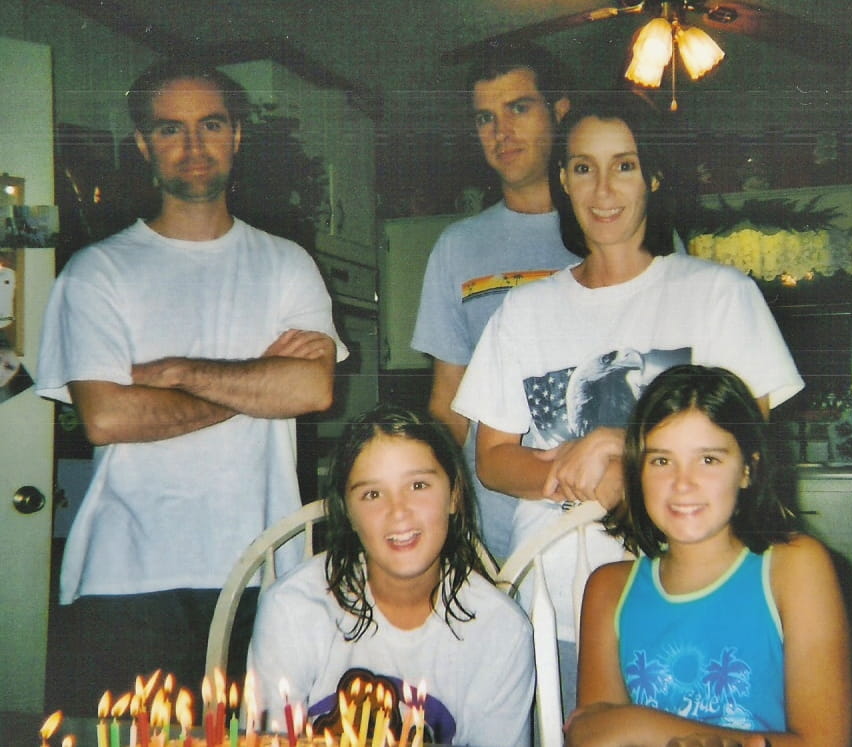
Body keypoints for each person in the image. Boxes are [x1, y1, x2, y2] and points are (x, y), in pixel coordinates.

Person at [452, 94, 804, 716]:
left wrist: (624, 450)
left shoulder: (720, 296)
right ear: (563, 181)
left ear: (654, 176)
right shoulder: (525, 311)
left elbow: (749, 445)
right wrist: (578, 466)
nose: (604, 189)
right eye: (584, 167)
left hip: (691, 592)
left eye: (626, 165)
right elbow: (494, 460)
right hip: (553, 603)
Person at [36, 58, 348, 711]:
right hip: (125, 575)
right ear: (145, 145)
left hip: (261, 569)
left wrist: (176, 372)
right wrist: (256, 378)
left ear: (236, 135)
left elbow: (311, 391)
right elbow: (109, 419)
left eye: (210, 124)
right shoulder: (97, 273)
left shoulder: (287, 265)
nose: (194, 145)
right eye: (170, 129)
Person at [564, 364, 852, 746]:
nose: (683, 483)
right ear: (638, 473)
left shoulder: (795, 566)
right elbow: (592, 737)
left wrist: (637, 724)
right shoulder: (609, 588)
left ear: (749, 469)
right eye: (661, 461)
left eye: (709, 460)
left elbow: (825, 742)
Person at [247, 404, 534, 747]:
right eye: (372, 494)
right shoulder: (292, 610)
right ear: (348, 513)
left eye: (418, 485)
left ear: (454, 495)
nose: (398, 511)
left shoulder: (501, 630)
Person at [412, 42, 577, 561]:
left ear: (560, 111)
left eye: (518, 108)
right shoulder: (457, 247)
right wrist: (428, 494)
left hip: (610, 507)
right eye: (485, 117)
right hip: (493, 528)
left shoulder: (624, 227)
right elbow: (448, 399)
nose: (500, 132)